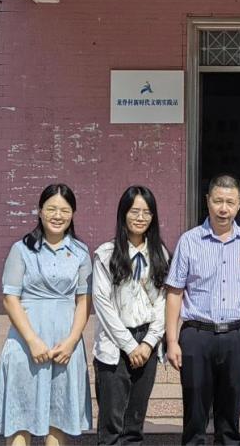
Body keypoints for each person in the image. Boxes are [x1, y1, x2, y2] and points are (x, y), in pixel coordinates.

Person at [0, 183, 93, 446]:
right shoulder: (21, 249)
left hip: (65, 344)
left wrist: (71, 342)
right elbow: (10, 299)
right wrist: (32, 340)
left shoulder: (81, 252)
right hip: (25, 341)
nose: (57, 215)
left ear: (73, 214)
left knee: (59, 416)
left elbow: (83, 301)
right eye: (51, 209)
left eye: (64, 210)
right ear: (40, 211)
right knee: (20, 414)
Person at [165, 174, 240, 445]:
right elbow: (175, 292)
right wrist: (172, 340)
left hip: (237, 336)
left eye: (230, 202)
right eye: (218, 201)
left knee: (230, 417)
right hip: (197, 336)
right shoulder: (189, 241)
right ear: (207, 201)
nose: (223, 208)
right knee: (195, 416)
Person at [92, 185, 171, 444]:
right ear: (123, 213)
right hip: (115, 343)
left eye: (146, 212)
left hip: (147, 341)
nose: (140, 217)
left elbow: (163, 302)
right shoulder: (106, 254)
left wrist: (148, 342)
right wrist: (129, 345)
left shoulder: (160, 254)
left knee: (134, 426)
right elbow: (102, 304)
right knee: (111, 426)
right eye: (134, 211)